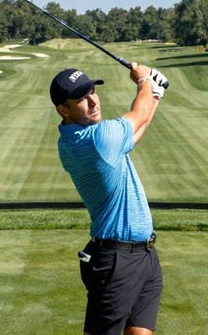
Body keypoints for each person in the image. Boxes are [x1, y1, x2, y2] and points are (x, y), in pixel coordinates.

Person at [50, 63, 168, 335]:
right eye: (81, 99)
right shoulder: (97, 140)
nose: (92, 101)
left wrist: (156, 94)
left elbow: (136, 132)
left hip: (144, 254)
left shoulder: (84, 140)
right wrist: (143, 81)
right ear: (63, 110)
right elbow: (138, 114)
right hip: (116, 260)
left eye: (92, 92)